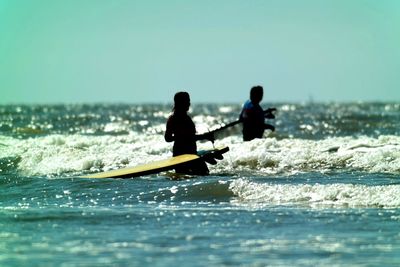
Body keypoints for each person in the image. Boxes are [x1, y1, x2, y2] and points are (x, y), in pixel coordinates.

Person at [165, 91, 214, 175]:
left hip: (192, 154)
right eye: (187, 101)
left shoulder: (186, 118)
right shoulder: (174, 119)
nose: (189, 104)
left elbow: (189, 137)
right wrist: (204, 136)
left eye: (189, 101)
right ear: (180, 103)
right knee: (204, 173)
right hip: (181, 157)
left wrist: (205, 136)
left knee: (203, 174)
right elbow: (167, 138)